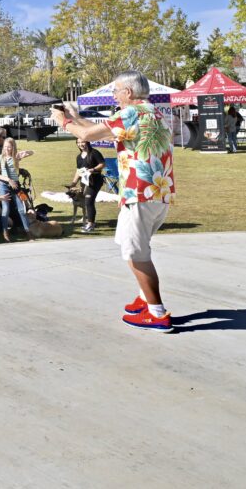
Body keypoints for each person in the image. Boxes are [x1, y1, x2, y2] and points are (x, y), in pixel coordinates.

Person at [52, 69, 175, 332]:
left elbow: (86, 137)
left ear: (128, 92)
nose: (114, 95)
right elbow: (102, 133)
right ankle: (145, 297)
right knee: (131, 244)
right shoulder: (151, 113)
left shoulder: (130, 113)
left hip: (138, 193)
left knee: (136, 252)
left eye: (116, 91)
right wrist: (76, 118)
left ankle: (157, 313)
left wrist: (64, 122)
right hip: (156, 193)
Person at [0, 137, 34, 242]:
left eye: (9, 147)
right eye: (5, 146)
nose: (7, 149)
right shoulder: (0, 157)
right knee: (6, 209)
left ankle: (28, 232)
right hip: (4, 185)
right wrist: (8, 180)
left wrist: (25, 153)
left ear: (13, 147)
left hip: (15, 186)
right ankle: (5, 232)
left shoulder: (15, 157)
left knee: (21, 209)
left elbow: (32, 152)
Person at [72, 139, 105, 233]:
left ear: (87, 142)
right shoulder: (79, 157)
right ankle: (89, 222)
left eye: (82, 142)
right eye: (78, 143)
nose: (80, 144)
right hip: (85, 181)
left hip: (95, 180)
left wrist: (93, 169)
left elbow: (102, 164)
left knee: (88, 201)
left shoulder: (94, 153)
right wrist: (73, 183)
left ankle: (90, 224)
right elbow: (78, 171)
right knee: (86, 202)